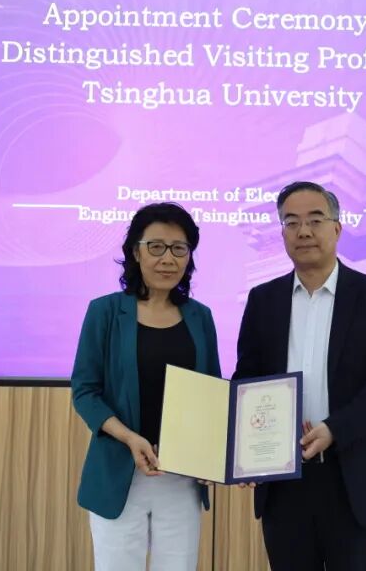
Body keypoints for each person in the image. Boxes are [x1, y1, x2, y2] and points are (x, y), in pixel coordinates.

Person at [234, 181, 366, 570]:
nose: (304, 231)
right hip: (283, 476)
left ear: (337, 228)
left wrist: (335, 429)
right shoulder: (263, 300)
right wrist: (246, 447)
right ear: (282, 232)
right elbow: (246, 380)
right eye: (291, 222)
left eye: (315, 220)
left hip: (353, 474)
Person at [71, 202, 221, 571]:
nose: (168, 258)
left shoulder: (200, 317)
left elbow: (214, 395)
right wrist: (129, 438)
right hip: (119, 474)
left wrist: (214, 455)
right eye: (156, 247)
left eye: (179, 248)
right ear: (135, 252)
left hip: (181, 478)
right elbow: (85, 391)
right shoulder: (105, 312)